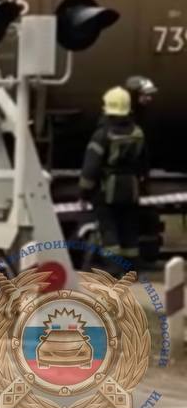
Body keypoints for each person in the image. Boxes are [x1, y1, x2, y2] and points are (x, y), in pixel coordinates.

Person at [80, 87, 148, 272]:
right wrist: (142, 184)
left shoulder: (102, 135)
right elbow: (144, 162)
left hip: (107, 190)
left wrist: (84, 192)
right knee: (129, 228)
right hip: (131, 188)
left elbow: (90, 167)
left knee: (108, 229)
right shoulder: (138, 133)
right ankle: (132, 267)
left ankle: (113, 268)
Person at [124, 75, 161, 265]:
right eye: (146, 95)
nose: (150, 99)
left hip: (136, 180)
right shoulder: (125, 124)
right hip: (126, 182)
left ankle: (132, 262)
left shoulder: (138, 118)